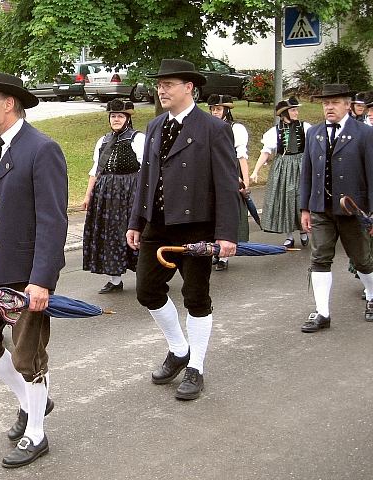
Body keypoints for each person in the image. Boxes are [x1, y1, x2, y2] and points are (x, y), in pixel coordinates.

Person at [0, 71, 68, 468]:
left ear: (9, 104)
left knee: (28, 358)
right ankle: (31, 402)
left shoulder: (43, 149)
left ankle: (36, 433)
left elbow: (53, 221)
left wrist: (42, 280)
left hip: (27, 274)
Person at [126, 59, 240, 401]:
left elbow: (226, 184)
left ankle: (197, 367)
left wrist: (227, 234)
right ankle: (179, 349)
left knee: (195, 297)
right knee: (147, 291)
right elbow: (146, 178)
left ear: (190, 87)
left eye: (169, 84)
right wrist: (136, 221)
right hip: (158, 224)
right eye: (160, 85)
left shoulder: (213, 128)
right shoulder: (157, 125)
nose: (162, 90)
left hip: (197, 225)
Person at [299, 83, 373, 332]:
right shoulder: (315, 133)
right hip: (321, 208)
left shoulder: (364, 133)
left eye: (335, 102)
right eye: (325, 103)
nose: (329, 107)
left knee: (362, 260)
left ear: (348, 105)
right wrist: (305, 208)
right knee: (319, 258)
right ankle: (322, 313)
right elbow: (306, 173)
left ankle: (372, 297)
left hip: (353, 209)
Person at [82, 99, 144, 293]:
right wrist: (87, 195)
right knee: (110, 234)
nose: (116, 119)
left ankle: (146, 276)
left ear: (127, 118)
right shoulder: (103, 140)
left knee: (133, 233)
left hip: (129, 192)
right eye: (113, 116)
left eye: (120, 116)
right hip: (106, 195)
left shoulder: (137, 138)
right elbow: (96, 170)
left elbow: (146, 169)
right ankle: (115, 280)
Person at [250, 97, 312, 247]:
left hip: (301, 165)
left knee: (300, 198)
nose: (296, 112)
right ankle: (289, 235)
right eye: (293, 110)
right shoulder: (274, 131)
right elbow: (265, 152)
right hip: (283, 167)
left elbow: (314, 148)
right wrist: (255, 171)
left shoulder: (306, 127)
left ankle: (303, 231)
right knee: (285, 199)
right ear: (284, 113)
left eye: (296, 109)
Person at [207, 94, 250, 271]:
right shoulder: (206, 126)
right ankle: (214, 252)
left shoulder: (236, 128)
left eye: (218, 109)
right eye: (212, 109)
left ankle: (224, 257)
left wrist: (245, 182)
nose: (214, 112)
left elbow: (241, 157)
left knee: (227, 211)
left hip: (230, 173)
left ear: (226, 110)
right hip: (210, 174)